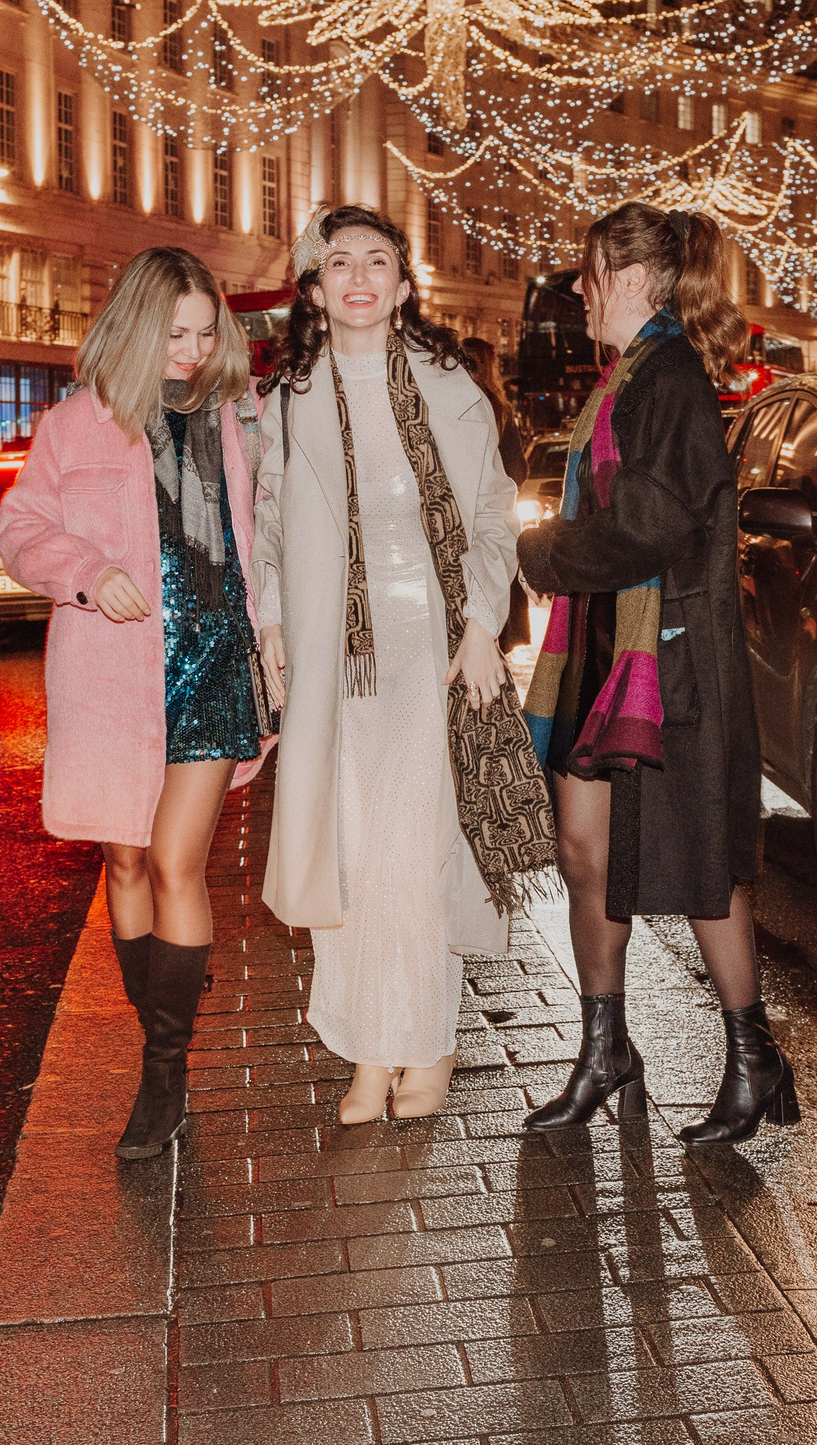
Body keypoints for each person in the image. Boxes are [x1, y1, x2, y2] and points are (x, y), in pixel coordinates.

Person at [518, 202, 792, 1145]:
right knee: (586, 855)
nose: (580, 292)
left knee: (703, 865)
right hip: (612, 652)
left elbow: (649, 526)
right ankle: (605, 1049)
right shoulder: (629, 372)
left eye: (589, 274)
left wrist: (541, 551)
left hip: (670, 658)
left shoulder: (665, 376)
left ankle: (754, 1059)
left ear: (630, 278)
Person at [0, 247, 271, 1161]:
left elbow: (275, 539)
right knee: (124, 864)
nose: (190, 353)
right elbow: (20, 531)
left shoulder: (241, 419)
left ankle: (164, 1071)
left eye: (204, 334)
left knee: (175, 862)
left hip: (215, 661)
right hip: (115, 675)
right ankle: (160, 1059)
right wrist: (88, 572)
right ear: (136, 329)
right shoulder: (75, 426)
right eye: (174, 335)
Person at [252, 206, 523, 1125]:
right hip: (335, 655)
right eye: (339, 262)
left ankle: (429, 1046)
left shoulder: (451, 388)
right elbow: (272, 530)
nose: (359, 276)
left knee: (416, 850)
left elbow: (492, 515)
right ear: (316, 289)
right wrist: (274, 629)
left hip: (434, 652)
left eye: (378, 261)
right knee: (351, 851)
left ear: (405, 286)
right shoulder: (287, 400)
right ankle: (368, 1053)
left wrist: (483, 622)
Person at [461, 334, 533, 653]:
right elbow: (518, 469)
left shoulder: (464, 404)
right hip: (490, 516)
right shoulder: (496, 407)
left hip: (469, 518)